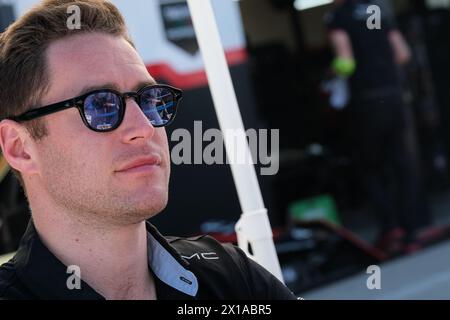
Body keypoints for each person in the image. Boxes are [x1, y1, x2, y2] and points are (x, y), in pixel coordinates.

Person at [0, 0, 296, 300]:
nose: (144, 127)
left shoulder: (230, 278)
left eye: (150, 99)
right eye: (100, 105)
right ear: (20, 147)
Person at [325, 0, 429, 255]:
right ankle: (412, 234)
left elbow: (346, 62)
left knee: (372, 167)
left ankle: (390, 229)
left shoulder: (338, 16)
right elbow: (403, 54)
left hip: (367, 101)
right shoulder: (380, 9)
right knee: (403, 165)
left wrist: (329, 76)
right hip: (394, 96)